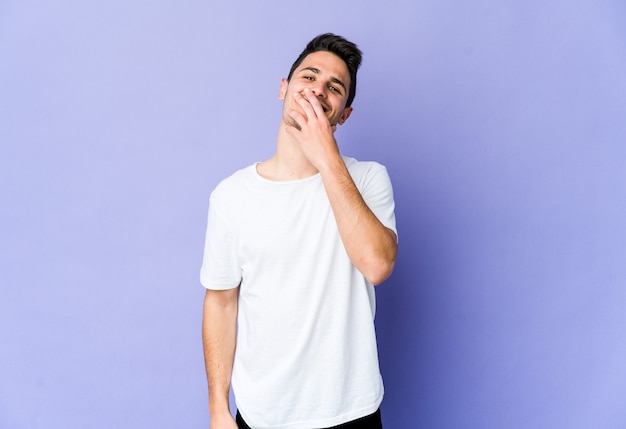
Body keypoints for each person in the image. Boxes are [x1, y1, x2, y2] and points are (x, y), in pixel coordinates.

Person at [200, 33, 398, 429]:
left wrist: (325, 156)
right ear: (283, 89)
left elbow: (377, 266)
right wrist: (218, 409)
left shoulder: (369, 179)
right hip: (263, 415)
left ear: (344, 115)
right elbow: (221, 302)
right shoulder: (232, 196)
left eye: (334, 88)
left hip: (351, 412)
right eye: (309, 77)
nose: (318, 91)